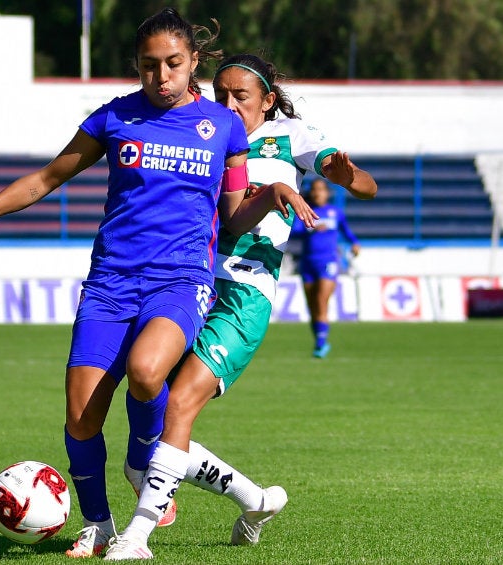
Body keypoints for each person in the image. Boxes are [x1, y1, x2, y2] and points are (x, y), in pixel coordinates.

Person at [0, 11, 314, 559]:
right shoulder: (114, 118)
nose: (161, 76)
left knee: (146, 371)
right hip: (110, 282)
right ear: (137, 66)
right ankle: (99, 524)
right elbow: (48, 177)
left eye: (173, 64)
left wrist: (271, 191)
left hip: (180, 280)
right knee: (81, 415)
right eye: (149, 65)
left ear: (193, 63)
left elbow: (231, 215)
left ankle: (143, 471)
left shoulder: (223, 127)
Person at [104, 54, 376, 560]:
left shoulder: (290, 137)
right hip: (189, 282)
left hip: (245, 292)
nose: (228, 105)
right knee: (149, 418)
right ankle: (258, 500)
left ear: (268, 101)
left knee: (180, 404)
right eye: (220, 94)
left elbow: (367, 186)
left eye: (241, 97)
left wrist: (345, 173)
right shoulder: (202, 132)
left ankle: (136, 538)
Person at [293, 177, 362, 358]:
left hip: (328, 262)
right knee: (313, 306)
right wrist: (312, 228)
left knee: (321, 300)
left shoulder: (335, 212)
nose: (317, 193)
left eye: (321, 189)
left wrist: (354, 243)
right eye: (314, 190)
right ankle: (319, 340)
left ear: (327, 192)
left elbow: (347, 231)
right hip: (308, 262)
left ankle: (321, 344)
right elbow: (294, 230)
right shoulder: (306, 211)